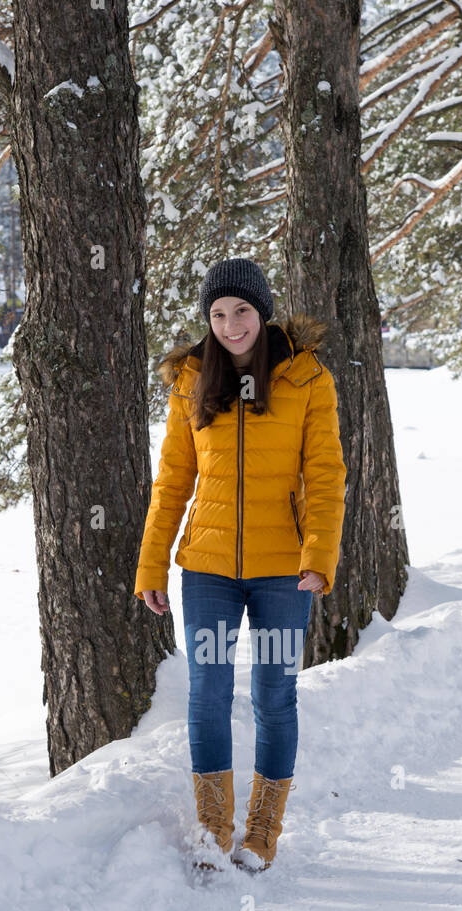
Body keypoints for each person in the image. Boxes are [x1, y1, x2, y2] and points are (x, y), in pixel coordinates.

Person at [134, 257, 347, 871]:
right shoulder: (192, 381)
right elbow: (172, 482)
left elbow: (326, 476)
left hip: (285, 573)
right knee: (207, 693)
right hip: (207, 570)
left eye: (242, 311)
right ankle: (211, 830)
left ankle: (261, 833)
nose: (230, 325)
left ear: (263, 311)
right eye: (218, 315)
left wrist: (318, 558)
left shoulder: (306, 380)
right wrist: (152, 567)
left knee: (275, 696)